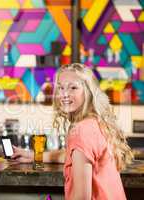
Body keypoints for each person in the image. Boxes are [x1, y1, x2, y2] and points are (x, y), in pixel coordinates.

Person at [12, 63, 133, 200]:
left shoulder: (82, 130)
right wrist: (33, 156)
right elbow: (73, 157)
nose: (64, 94)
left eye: (73, 87)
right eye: (61, 88)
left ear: (87, 92)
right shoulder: (94, 122)